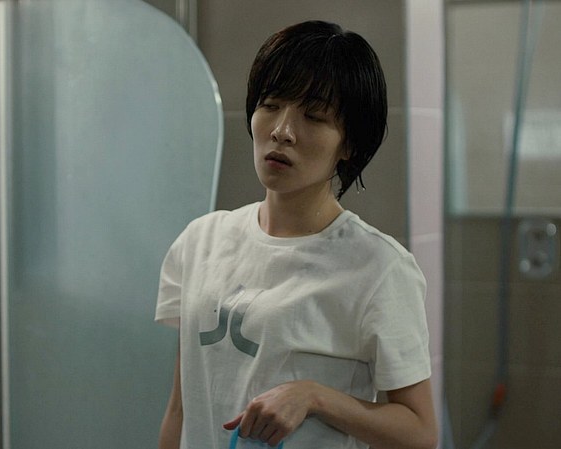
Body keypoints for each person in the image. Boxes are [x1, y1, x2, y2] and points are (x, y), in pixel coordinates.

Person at [155, 21, 437, 449]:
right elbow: (181, 409)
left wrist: (315, 397)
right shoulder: (199, 243)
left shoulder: (379, 267)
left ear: (349, 145)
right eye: (270, 104)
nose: (282, 130)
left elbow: (420, 432)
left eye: (314, 116)